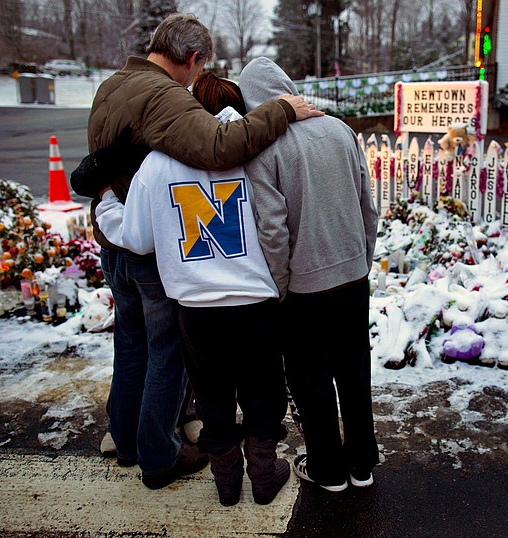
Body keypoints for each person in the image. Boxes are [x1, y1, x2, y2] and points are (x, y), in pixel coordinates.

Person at [71, 13, 322, 491]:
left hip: (120, 239)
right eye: (198, 69)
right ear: (192, 60)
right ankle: (159, 454)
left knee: (131, 348)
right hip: (154, 247)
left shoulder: (113, 85)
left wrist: (102, 205)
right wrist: (284, 109)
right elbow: (219, 147)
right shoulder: (163, 95)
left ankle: (125, 438)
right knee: (168, 357)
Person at [88, 72, 291, 506]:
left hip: (196, 306)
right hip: (254, 300)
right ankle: (263, 473)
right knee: (262, 392)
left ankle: (226, 483)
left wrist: (106, 204)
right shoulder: (253, 151)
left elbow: (138, 238)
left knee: (212, 395)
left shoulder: (157, 164)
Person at [239, 57, 380, 492]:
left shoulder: (265, 149)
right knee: (355, 371)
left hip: (304, 284)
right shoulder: (339, 130)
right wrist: (363, 257)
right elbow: (366, 205)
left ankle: (328, 469)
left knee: (311, 380)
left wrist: (280, 286)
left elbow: (272, 229)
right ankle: (362, 463)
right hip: (353, 274)